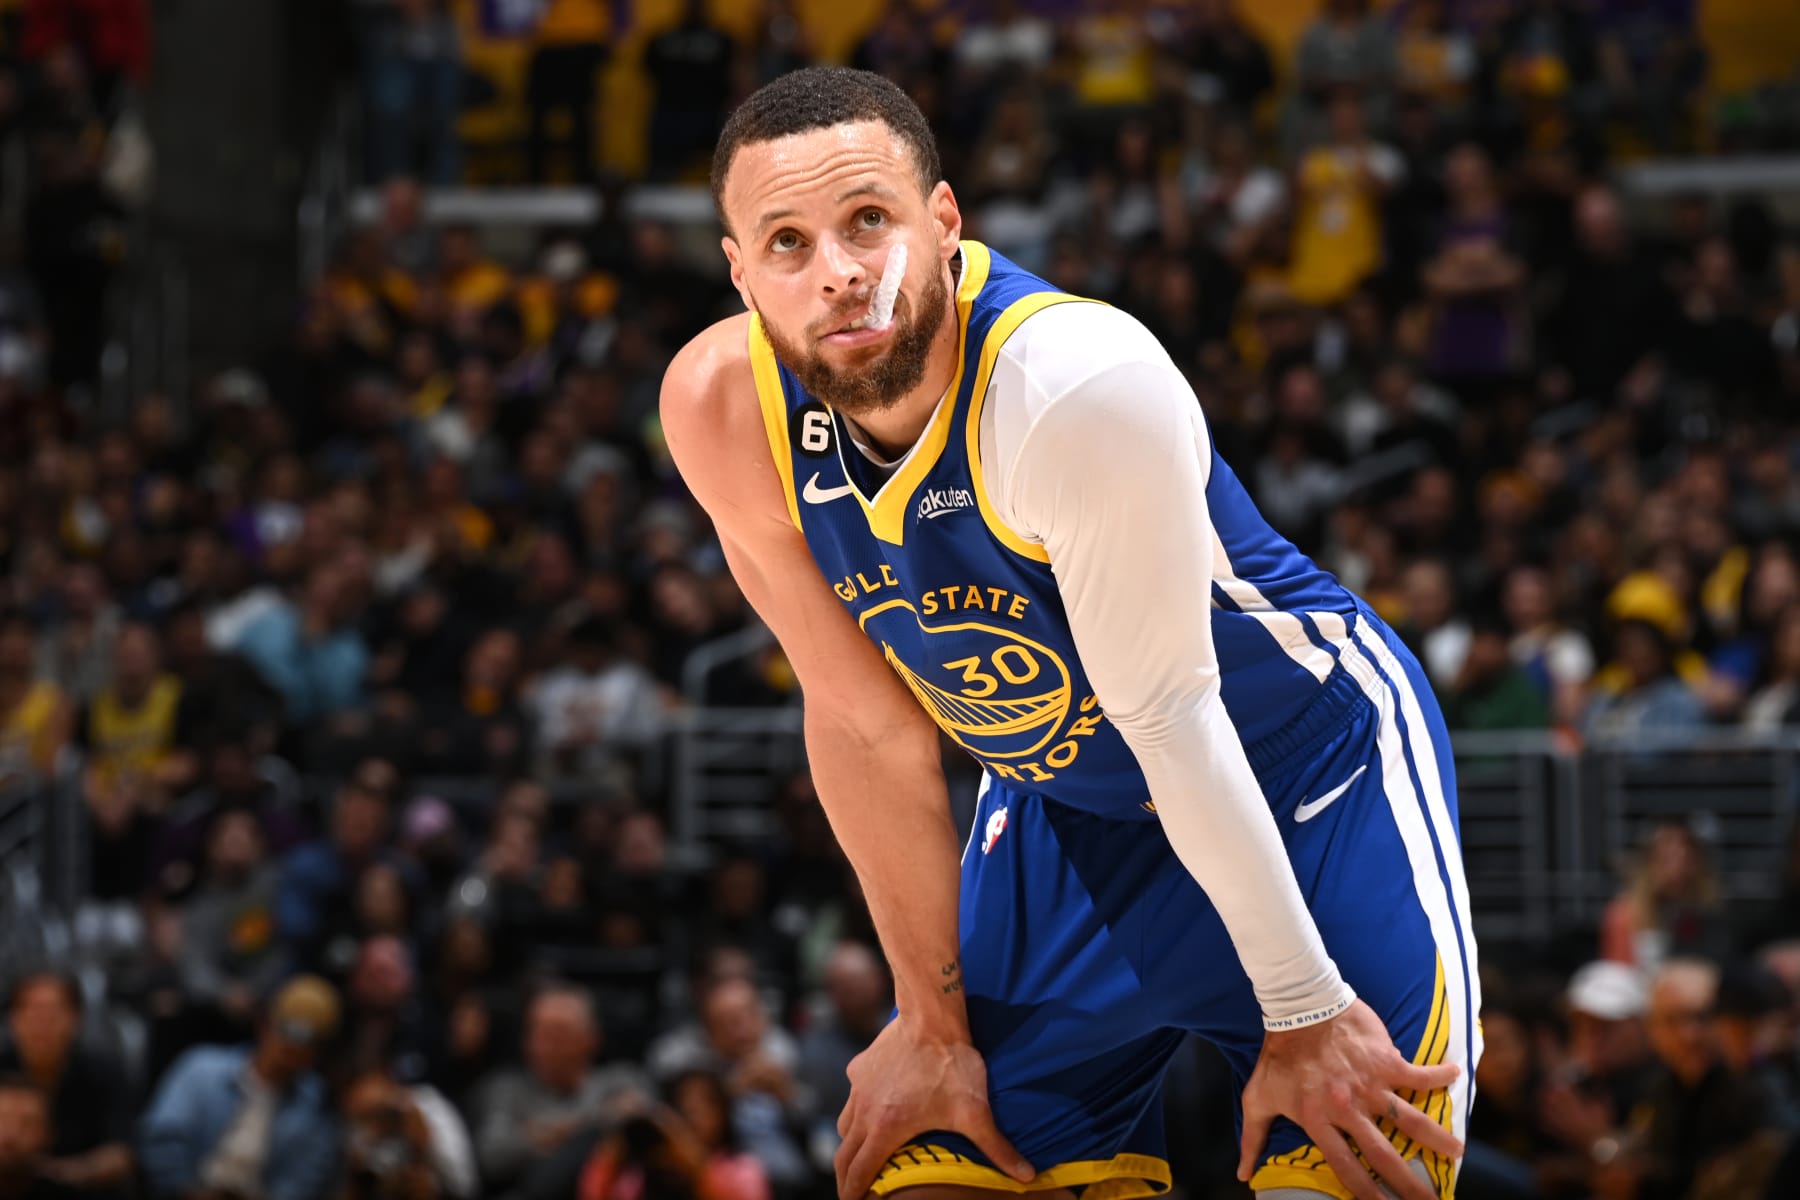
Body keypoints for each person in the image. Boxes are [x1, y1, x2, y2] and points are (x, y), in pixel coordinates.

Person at [660, 67, 1475, 1200]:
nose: (839, 274)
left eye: (868, 222)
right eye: (787, 244)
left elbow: (1172, 717)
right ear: (742, 274)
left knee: (1354, 1165)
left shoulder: (1070, 385)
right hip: (1067, 812)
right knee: (932, 1170)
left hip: (1297, 779)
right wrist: (928, 1019)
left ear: (943, 225)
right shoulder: (721, 408)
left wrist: (1306, 1010)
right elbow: (859, 723)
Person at [137, 975, 342, 1200]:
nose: (296, 1046)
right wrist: (186, 1190)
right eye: (290, 1030)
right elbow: (161, 1139)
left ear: (320, 1051)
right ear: (265, 1023)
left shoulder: (316, 1110)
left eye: (311, 1040)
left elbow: (303, 1183)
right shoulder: (201, 1068)